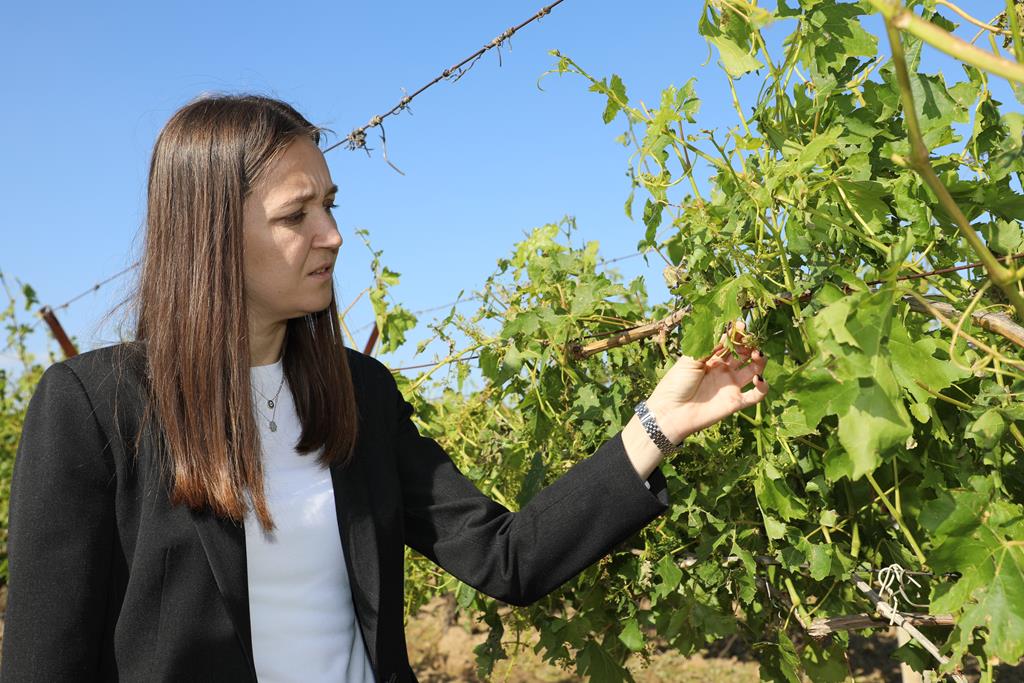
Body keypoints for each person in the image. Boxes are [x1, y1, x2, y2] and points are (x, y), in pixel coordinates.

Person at [0, 94, 769, 683]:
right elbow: (45, 664)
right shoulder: (94, 408)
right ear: (210, 235)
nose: (331, 233)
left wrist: (659, 423)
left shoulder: (359, 392)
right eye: (296, 214)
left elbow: (507, 558)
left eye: (330, 204)